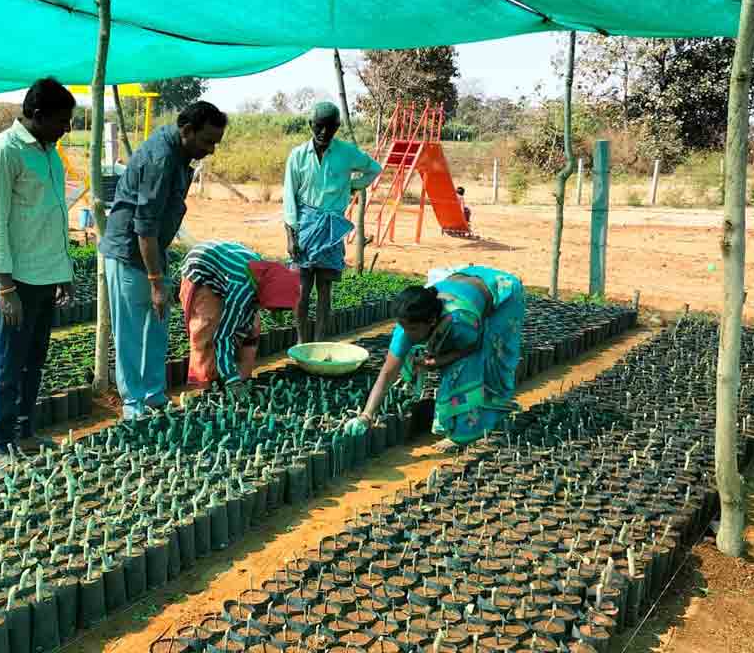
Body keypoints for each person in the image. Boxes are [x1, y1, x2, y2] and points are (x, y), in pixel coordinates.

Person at [100, 101, 228, 420]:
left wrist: (159, 270)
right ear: (187, 131)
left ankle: (154, 395)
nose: (210, 150)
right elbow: (143, 226)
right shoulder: (161, 158)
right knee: (130, 329)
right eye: (207, 141)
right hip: (129, 251)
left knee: (156, 326)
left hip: (154, 251)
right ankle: (133, 404)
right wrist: (156, 281)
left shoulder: (179, 154)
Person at [0, 78, 76, 468]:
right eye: (61, 121)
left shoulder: (50, 152)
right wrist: (5, 287)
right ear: (36, 115)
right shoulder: (4, 152)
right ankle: (2, 445)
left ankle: (25, 432)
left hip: (46, 273)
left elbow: (54, 215)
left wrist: (63, 270)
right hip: (16, 279)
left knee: (34, 358)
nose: (66, 129)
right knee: (8, 361)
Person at [349, 266, 524, 452]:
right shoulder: (407, 325)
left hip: (503, 293)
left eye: (414, 330)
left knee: (489, 360)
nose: (408, 334)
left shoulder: (460, 321)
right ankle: (464, 420)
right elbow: (387, 373)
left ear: (432, 321)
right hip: (466, 282)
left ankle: (468, 431)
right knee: (448, 359)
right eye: (404, 328)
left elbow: (473, 347)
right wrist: (366, 415)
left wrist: (439, 361)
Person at [283, 102, 382, 343]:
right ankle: (301, 341)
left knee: (325, 289)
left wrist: (351, 186)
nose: (324, 132)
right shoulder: (297, 155)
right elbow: (289, 197)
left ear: (337, 127)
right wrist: (290, 236)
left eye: (330, 127)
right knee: (301, 289)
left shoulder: (346, 152)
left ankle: (319, 341)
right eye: (319, 126)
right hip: (304, 227)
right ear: (310, 125)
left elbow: (374, 169)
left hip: (332, 228)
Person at [179, 241, 301, 387]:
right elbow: (223, 336)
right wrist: (232, 381)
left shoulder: (265, 276)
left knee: (251, 330)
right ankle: (206, 385)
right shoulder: (241, 289)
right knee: (208, 331)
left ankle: (241, 378)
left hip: (228, 270)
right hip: (201, 269)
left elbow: (250, 310)